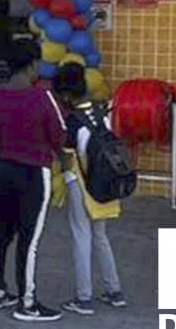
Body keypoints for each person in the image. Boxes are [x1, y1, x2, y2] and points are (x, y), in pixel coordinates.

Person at [0, 38, 67, 322]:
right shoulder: (42, 96)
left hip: (2, 168)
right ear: (33, 64)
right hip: (34, 172)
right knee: (29, 238)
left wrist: (3, 136)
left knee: (3, 229)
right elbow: (60, 136)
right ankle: (27, 303)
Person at [51, 62, 124, 315]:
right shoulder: (101, 111)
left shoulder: (73, 121)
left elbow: (67, 156)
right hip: (105, 183)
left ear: (66, 95)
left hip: (80, 182)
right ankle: (114, 290)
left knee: (81, 236)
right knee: (100, 235)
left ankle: (83, 297)